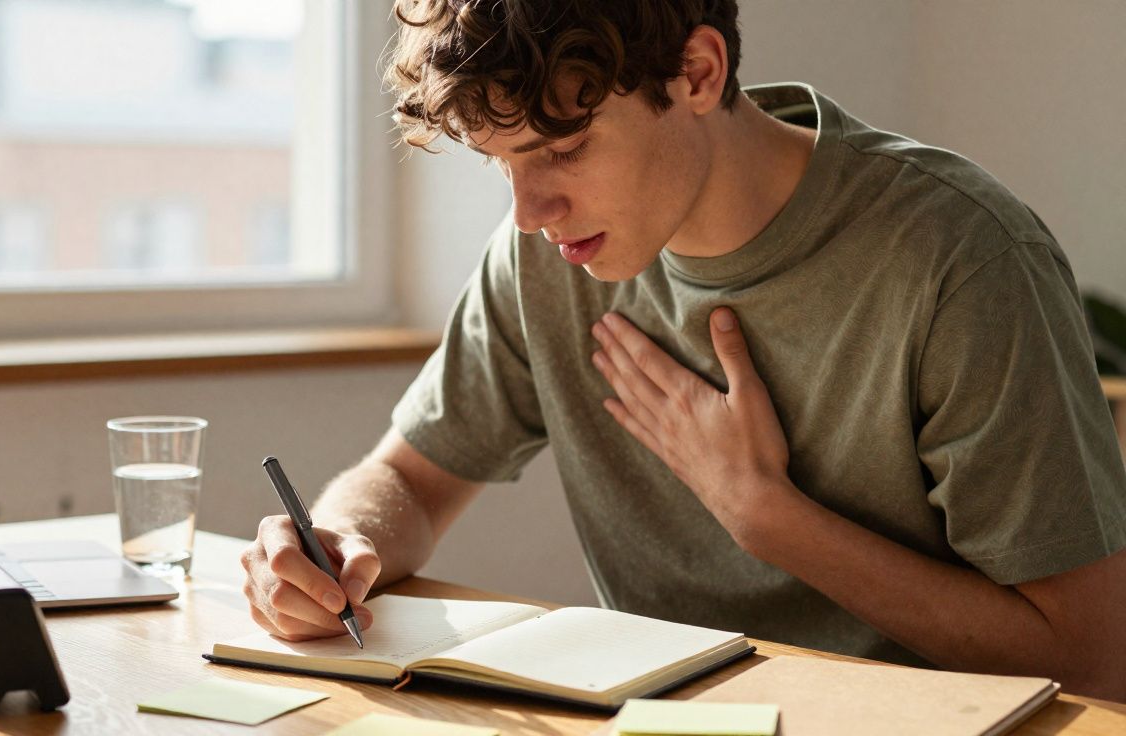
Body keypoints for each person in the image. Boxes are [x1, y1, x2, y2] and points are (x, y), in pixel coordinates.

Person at [241, 0, 1126, 700]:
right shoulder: (544, 254)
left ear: (698, 73)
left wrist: (771, 520)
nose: (526, 212)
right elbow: (413, 481)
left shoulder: (959, 259)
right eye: (497, 162)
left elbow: (1088, 659)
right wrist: (341, 540)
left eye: (565, 149)